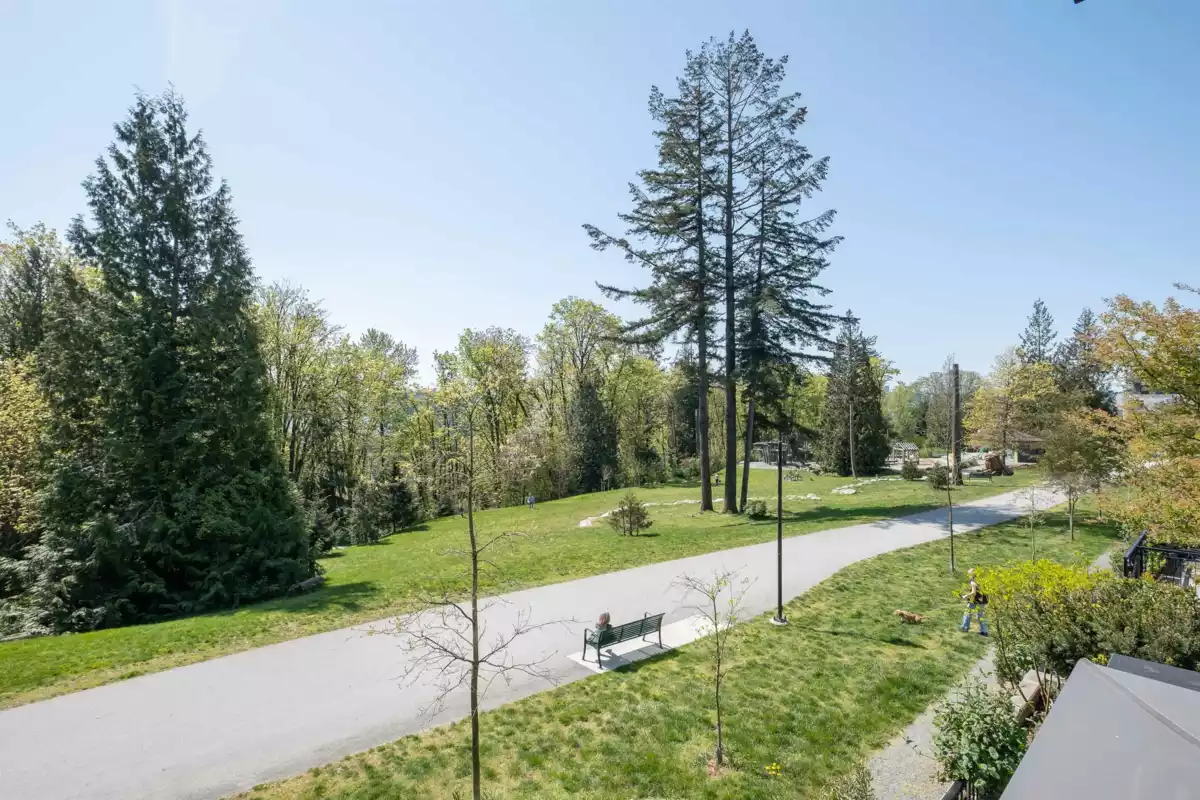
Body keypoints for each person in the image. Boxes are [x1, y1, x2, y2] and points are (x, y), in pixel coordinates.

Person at [960, 568, 989, 636]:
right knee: (981, 616)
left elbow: (973, 593)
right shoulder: (981, 579)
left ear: (972, 574)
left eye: (969, 573)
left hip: (975, 600)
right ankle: (984, 632)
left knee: (967, 613)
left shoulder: (973, 581)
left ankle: (965, 627)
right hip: (983, 600)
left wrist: (965, 596)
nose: (968, 575)